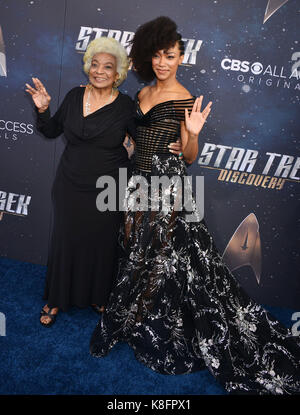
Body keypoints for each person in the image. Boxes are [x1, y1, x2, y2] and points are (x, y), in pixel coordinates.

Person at [90, 17, 300, 395]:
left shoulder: (185, 99)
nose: (162, 63)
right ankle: (140, 315)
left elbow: (188, 156)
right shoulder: (141, 95)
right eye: (156, 56)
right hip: (137, 183)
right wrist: (127, 147)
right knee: (140, 254)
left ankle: (165, 325)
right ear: (146, 58)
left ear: (181, 57)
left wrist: (195, 133)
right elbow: (136, 139)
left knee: (167, 258)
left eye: (169, 56)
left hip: (167, 188)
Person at [25, 36, 183, 327]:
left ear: (117, 73)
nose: (99, 71)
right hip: (70, 183)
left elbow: (146, 141)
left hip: (109, 186)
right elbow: (50, 130)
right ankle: (56, 298)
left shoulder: (125, 106)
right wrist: (43, 108)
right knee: (66, 240)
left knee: (100, 244)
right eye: (94, 65)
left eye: (107, 67)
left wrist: (178, 144)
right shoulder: (74, 96)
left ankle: (98, 295)